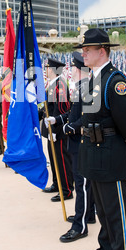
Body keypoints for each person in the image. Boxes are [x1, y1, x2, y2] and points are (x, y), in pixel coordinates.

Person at [77, 28, 126, 250]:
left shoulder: (115, 81)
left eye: (87, 50)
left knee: (117, 216)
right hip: (93, 153)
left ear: (102, 51)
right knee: (103, 211)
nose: (83, 54)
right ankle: (106, 249)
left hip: (110, 154)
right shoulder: (94, 79)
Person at [45, 52, 96, 242]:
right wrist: (58, 119)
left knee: (81, 184)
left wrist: (70, 127)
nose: (71, 71)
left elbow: (88, 116)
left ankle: (80, 226)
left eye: (73, 67)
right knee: (84, 183)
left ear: (77, 69)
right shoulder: (81, 87)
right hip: (76, 142)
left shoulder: (86, 88)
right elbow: (72, 113)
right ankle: (88, 214)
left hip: (81, 142)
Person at [41, 58, 74, 202]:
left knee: (62, 161)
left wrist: (54, 130)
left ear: (53, 69)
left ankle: (66, 190)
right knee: (54, 160)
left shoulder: (60, 86)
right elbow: (48, 107)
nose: (46, 70)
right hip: (51, 128)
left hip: (58, 130)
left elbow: (62, 110)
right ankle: (57, 184)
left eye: (48, 67)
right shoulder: (53, 84)